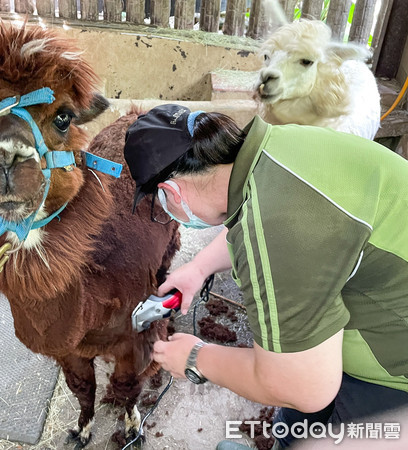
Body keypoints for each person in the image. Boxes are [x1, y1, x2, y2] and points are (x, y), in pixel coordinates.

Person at [123, 104, 408, 449]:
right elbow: (258, 219)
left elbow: (305, 388)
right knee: (292, 426)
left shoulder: (279, 232)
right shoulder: (276, 151)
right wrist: (198, 268)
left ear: (172, 192)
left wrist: (197, 358)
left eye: (161, 203)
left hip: (394, 373)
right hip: (384, 298)